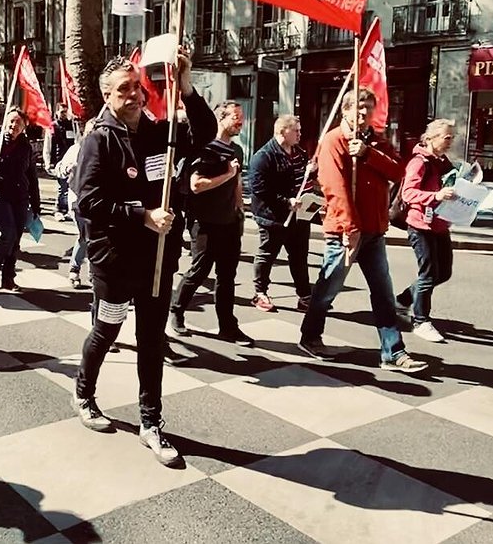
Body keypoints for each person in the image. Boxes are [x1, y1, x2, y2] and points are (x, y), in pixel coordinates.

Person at [71, 52, 215, 467]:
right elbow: (89, 201)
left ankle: (151, 423)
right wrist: (142, 215)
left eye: (137, 86)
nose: (134, 94)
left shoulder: (159, 133)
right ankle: (84, 392)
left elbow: (206, 134)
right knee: (108, 329)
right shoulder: (98, 138)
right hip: (114, 259)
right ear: (106, 95)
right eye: (124, 89)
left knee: (152, 341)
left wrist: (185, 87)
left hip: (156, 258)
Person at [298, 87, 428, 373]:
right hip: (345, 232)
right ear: (344, 110)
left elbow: (398, 173)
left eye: (368, 108)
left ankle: (393, 351)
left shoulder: (376, 141)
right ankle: (310, 335)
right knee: (327, 289)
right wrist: (349, 227)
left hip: (374, 230)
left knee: (383, 293)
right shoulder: (333, 141)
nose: (363, 113)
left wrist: (369, 154)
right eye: (357, 108)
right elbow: (335, 187)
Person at [170, 101, 251, 344]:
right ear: (221, 119)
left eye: (241, 117)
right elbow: (196, 185)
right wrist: (226, 174)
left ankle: (227, 325)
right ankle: (176, 311)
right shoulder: (206, 149)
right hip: (205, 222)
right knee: (199, 270)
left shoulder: (237, 150)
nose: (240, 122)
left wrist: (240, 208)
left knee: (227, 276)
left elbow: (237, 183)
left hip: (229, 222)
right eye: (235, 117)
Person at [395, 119, 459, 344]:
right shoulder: (419, 162)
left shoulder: (442, 161)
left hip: (440, 225)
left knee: (443, 273)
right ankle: (421, 321)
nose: (451, 141)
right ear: (430, 138)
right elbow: (408, 194)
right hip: (421, 226)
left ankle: (402, 301)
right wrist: (435, 196)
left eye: (452, 137)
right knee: (429, 274)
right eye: (447, 137)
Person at [249, 114, 313, 312]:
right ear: (282, 131)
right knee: (268, 255)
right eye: (296, 131)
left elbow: (303, 179)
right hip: (273, 217)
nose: (300, 135)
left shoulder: (299, 153)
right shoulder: (263, 156)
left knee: (299, 258)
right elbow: (260, 189)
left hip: (299, 216)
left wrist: (312, 172)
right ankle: (260, 293)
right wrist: (286, 202)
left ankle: (304, 296)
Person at [0, 107, 40, 291]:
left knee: (16, 238)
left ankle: (8, 278)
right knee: (8, 233)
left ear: (24, 126)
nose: (14, 125)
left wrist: (36, 203)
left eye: (18, 123)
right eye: (11, 121)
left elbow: (32, 176)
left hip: (20, 196)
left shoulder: (26, 147)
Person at [55, 119, 96, 289]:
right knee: (85, 235)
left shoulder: (105, 150)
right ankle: (75, 269)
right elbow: (60, 169)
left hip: (97, 201)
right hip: (78, 200)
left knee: (95, 237)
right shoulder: (76, 149)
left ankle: (93, 274)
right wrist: (67, 168)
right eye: (89, 132)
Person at [44, 102, 78, 221]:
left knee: (70, 186)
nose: (64, 114)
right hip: (59, 161)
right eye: (62, 111)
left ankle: (68, 208)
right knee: (62, 187)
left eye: (65, 111)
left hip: (70, 160)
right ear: (57, 112)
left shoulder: (71, 125)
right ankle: (59, 209)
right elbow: (48, 145)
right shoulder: (53, 127)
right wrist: (48, 162)